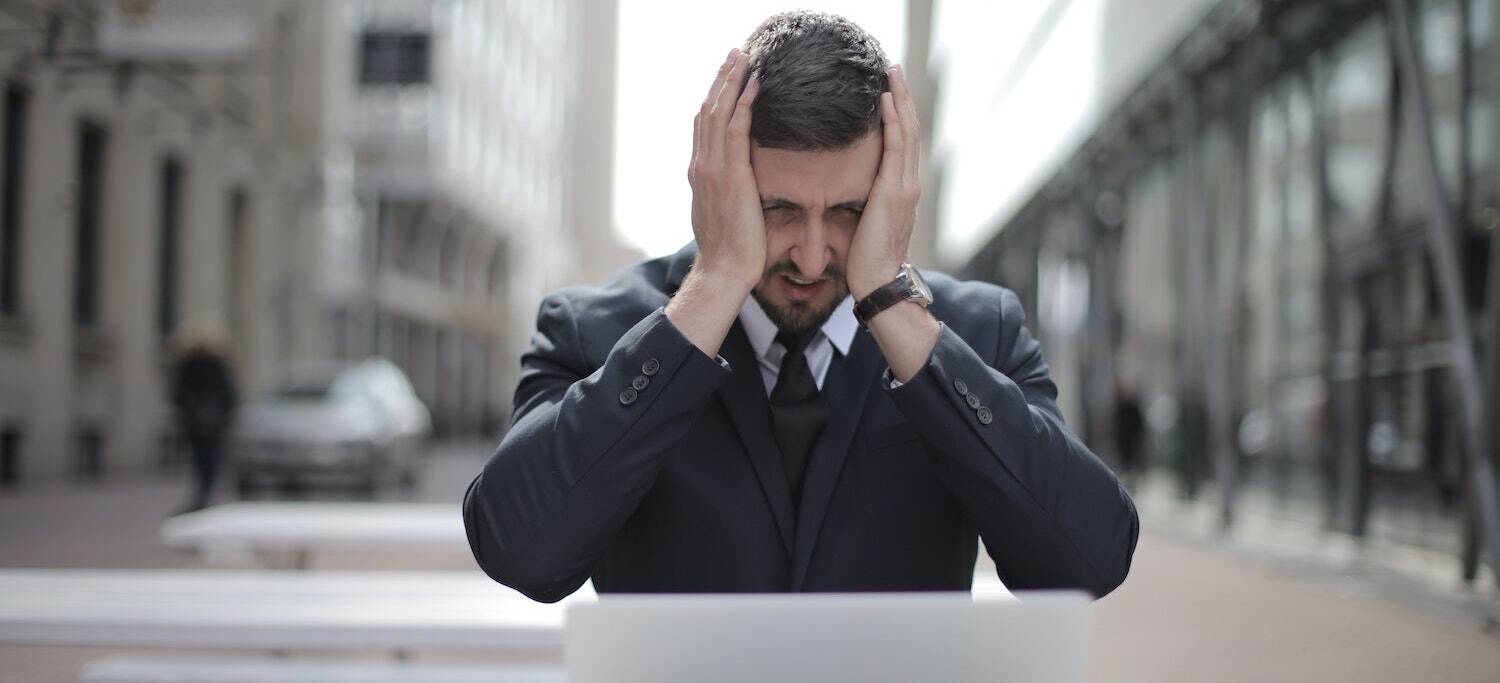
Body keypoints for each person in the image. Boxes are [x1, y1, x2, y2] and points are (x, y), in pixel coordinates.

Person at [463, 11, 1138, 602]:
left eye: (848, 210)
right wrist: (721, 276)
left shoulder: (975, 331)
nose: (813, 258)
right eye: (778, 208)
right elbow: (520, 551)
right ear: (716, 180)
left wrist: (890, 302)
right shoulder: (591, 330)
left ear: (892, 191)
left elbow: (1089, 559)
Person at [169, 315, 238, 514]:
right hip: (211, 422)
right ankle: (204, 492)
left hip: (194, 422)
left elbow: (178, 393)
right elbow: (229, 394)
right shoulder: (218, 363)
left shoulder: (187, 362)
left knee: (201, 458)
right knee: (209, 458)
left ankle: (202, 493)